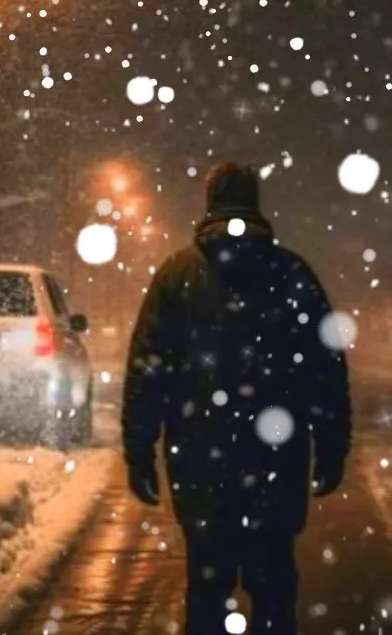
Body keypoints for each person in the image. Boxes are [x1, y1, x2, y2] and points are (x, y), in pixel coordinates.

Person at [122, 161, 352, 635]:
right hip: (276, 459)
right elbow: (324, 371)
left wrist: (139, 448)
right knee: (273, 589)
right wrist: (332, 445)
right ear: (254, 202)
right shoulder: (292, 273)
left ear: (210, 203)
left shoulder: (177, 277)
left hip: (200, 461)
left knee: (207, 589)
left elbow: (148, 368)